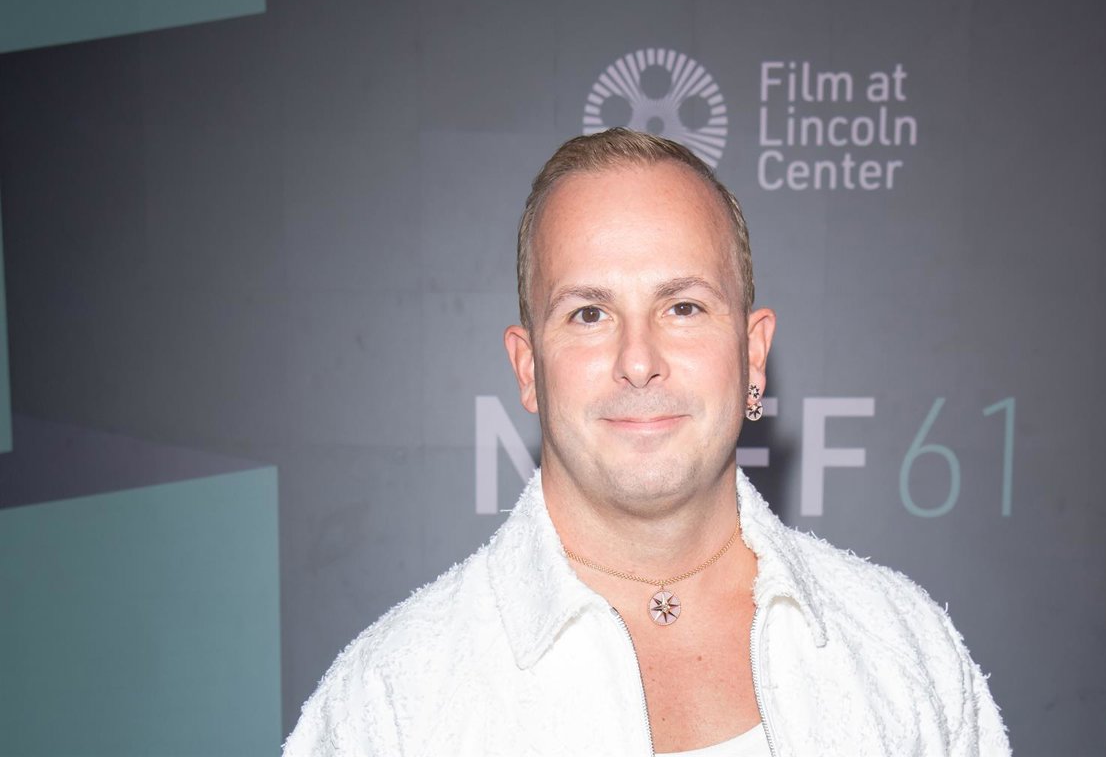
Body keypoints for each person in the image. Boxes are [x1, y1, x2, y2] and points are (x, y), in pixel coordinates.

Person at [283, 128, 1011, 756]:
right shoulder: (389, 702)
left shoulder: (903, 646)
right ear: (529, 368)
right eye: (589, 313)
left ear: (753, 354)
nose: (638, 360)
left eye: (683, 306)